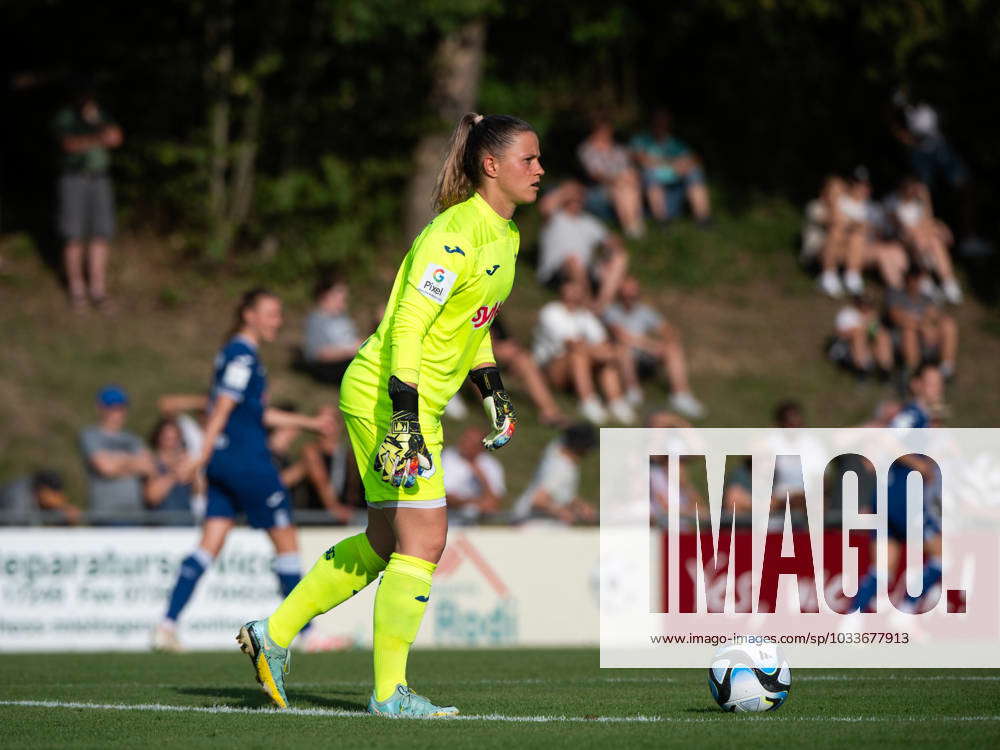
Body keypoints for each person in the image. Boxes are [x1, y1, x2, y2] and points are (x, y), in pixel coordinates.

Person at [237, 113, 543, 718]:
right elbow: (407, 325)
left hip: (408, 399)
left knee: (387, 540)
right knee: (424, 540)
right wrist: (404, 417)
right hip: (389, 396)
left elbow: (470, 328)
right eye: (529, 159)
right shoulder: (452, 234)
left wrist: (495, 394)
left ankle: (271, 635)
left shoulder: (505, 237)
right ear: (491, 166)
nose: (540, 170)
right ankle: (387, 694)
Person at [153, 289, 335, 652]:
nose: (277, 321)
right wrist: (200, 453)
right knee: (286, 543)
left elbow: (252, 413)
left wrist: (309, 423)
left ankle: (166, 625)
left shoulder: (237, 353)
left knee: (209, 545)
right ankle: (308, 634)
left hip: (225, 463)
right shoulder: (241, 354)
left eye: (279, 314)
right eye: (270, 313)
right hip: (247, 462)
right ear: (248, 315)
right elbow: (221, 407)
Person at [854, 364, 945, 613]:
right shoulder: (913, 413)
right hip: (902, 497)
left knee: (882, 568)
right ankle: (906, 612)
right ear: (916, 385)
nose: (937, 388)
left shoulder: (925, 417)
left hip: (889, 495)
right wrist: (920, 465)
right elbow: (887, 439)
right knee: (942, 558)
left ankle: (851, 621)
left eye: (939, 383)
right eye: (930, 383)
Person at [53, 78, 123, 312]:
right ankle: (77, 290)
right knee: (73, 235)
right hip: (74, 179)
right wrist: (97, 139)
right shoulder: (66, 117)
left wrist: (96, 128)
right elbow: (69, 145)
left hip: (100, 179)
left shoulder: (100, 115)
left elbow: (116, 137)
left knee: (101, 234)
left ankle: (98, 290)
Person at [533, 278, 636, 425]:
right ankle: (587, 401)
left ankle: (616, 401)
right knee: (578, 355)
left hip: (583, 364)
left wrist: (606, 352)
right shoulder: (551, 311)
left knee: (604, 359)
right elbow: (571, 344)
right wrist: (602, 351)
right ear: (563, 290)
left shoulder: (586, 315)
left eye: (578, 287)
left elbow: (603, 343)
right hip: (552, 369)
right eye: (571, 286)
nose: (575, 291)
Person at [603, 275, 706, 419]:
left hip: (644, 354)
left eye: (634, 293)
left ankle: (680, 395)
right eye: (626, 294)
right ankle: (632, 391)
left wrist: (666, 342)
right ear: (619, 294)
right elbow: (622, 336)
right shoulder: (611, 311)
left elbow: (669, 331)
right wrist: (651, 345)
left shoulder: (645, 311)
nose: (630, 297)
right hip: (623, 356)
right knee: (623, 347)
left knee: (673, 348)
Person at [536, 180, 629, 312]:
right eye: (573, 197)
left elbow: (610, 241)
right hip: (556, 271)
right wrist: (566, 190)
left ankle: (602, 304)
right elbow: (545, 206)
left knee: (620, 257)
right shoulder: (554, 217)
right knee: (574, 260)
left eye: (579, 197)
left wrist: (613, 245)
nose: (577, 200)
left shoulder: (589, 221)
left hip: (585, 269)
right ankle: (588, 305)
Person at [817, 168, 908, 297]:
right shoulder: (840, 202)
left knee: (892, 251)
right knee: (854, 235)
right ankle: (838, 276)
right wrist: (858, 226)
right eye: (857, 184)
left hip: (865, 248)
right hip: (841, 245)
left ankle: (901, 290)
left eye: (865, 185)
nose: (861, 188)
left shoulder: (873, 208)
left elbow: (879, 233)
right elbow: (834, 222)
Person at [79, 385, 156, 525]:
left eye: (120, 408)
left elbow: (149, 466)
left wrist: (116, 461)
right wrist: (134, 463)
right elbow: (105, 467)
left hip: (136, 516)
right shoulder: (91, 436)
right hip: (105, 515)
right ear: (100, 408)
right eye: (111, 407)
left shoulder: (133, 439)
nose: (116, 413)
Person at [885, 177, 963, 304]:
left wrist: (926, 199)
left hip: (921, 239)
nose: (913, 192)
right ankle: (927, 281)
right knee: (921, 240)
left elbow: (928, 220)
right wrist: (931, 229)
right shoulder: (891, 202)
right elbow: (903, 228)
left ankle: (948, 282)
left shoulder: (918, 203)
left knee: (935, 242)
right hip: (900, 241)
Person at [629, 108, 712, 225]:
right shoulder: (641, 140)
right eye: (658, 120)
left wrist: (684, 165)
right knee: (649, 175)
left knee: (695, 172)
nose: (661, 124)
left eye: (664, 121)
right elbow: (640, 159)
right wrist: (671, 163)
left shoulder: (675, 143)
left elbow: (693, 159)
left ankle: (703, 218)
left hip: (675, 181)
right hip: (651, 183)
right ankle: (662, 220)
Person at [511, 423, 598, 525]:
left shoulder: (560, 458)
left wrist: (581, 506)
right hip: (531, 524)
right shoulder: (560, 467)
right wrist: (561, 512)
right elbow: (538, 500)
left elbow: (562, 494)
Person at [886, 267, 958, 380]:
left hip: (925, 337)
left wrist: (930, 327)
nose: (917, 282)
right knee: (909, 330)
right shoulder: (896, 294)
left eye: (919, 279)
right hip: (901, 336)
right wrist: (922, 326)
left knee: (948, 324)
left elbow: (934, 316)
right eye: (915, 279)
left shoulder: (926, 298)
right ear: (908, 279)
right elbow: (896, 317)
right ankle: (912, 371)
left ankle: (946, 367)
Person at [577, 118, 644, 237]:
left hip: (622, 184)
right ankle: (630, 225)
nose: (606, 134)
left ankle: (633, 225)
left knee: (628, 184)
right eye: (602, 131)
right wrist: (615, 179)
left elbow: (628, 167)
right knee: (621, 187)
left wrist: (627, 176)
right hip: (598, 188)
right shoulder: (587, 149)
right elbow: (594, 174)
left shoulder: (618, 149)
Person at [302, 275, 363, 386]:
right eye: (339, 294)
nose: (343, 298)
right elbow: (317, 354)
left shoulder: (343, 317)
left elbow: (355, 341)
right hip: (331, 366)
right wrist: (349, 351)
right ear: (326, 296)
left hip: (351, 359)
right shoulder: (317, 319)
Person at [441, 426, 506, 525]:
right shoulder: (448, 457)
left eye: (471, 442)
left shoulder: (491, 465)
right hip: (450, 517)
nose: (465, 444)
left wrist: (481, 476)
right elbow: (444, 497)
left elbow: (494, 502)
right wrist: (472, 502)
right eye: (465, 439)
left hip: (480, 521)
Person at [144, 417, 197, 525]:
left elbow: (200, 491)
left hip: (186, 525)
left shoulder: (185, 462)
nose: (171, 443)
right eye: (167, 438)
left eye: (175, 438)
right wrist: (173, 474)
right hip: (161, 529)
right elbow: (152, 496)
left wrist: (194, 469)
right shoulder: (151, 462)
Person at [828, 294, 893, 380]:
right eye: (864, 303)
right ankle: (861, 369)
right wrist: (862, 328)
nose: (866, 306)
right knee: (858, 334)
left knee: (882, 335)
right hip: (845, 346)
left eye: (869, 304)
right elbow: (839, 333)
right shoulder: (847, 314)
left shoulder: (871, 315)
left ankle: (885, 368)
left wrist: (871, 323)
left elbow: (875, 332)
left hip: (866, 344)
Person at [0, 470, 80, 526]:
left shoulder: (38, 496)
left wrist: (65, 515)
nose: (58, 500)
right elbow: (15, 530)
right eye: (55, 495)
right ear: (43, 490)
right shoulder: (17, 498)